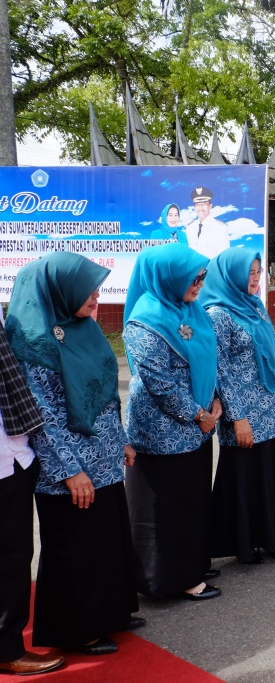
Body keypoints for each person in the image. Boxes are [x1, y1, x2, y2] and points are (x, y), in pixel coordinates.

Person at [5, 253, 142, 656]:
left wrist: (120, 440)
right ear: (59, 290)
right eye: (88, 289)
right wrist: (69, 471)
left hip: (103, 458)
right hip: (68, 467)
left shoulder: (83, 327)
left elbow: (104, 391)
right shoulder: (31, 341)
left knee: (107, 542)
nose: (96, 296)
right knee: (76, 550)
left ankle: (112, 613)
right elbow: (41, 415)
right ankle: (78, 628)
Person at [123, 243, 223, 600]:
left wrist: (213, 400)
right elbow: (159, 383)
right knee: (164, 509)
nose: (199, 283)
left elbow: (210, 360)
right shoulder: (145, 319)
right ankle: (166, 579)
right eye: (192, 277)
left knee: (191, 502)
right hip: (162, 431)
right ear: (168, 277)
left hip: (197, 427)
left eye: (202, 276)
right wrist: (199, 415)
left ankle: (190, 565)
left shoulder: (191, 310)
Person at [202, 248, 275, 565]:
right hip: (242, 413)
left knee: (269, 471)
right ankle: (246, 543)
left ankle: (272, 538)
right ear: (231, 275)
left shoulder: (256, 307)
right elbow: (220, 372)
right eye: (250, 273)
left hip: (268, 407)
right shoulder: (218, 314)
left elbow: (270, 353)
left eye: (258, 272)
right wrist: (238, 417)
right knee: (246, 475)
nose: (256, 279)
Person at [0, 308, 64, 676]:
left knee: (14, 554)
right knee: (9, 556)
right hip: (5, 459)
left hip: (13, 452)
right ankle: (6, 648)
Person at [183, 186, 230, 259]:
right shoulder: (189, 228)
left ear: (210, 206)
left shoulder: (220, 228)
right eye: (198, 205)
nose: (201, 208)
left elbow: (223, 258)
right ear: (194, 207)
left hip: (211, 270)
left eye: (204, 204)